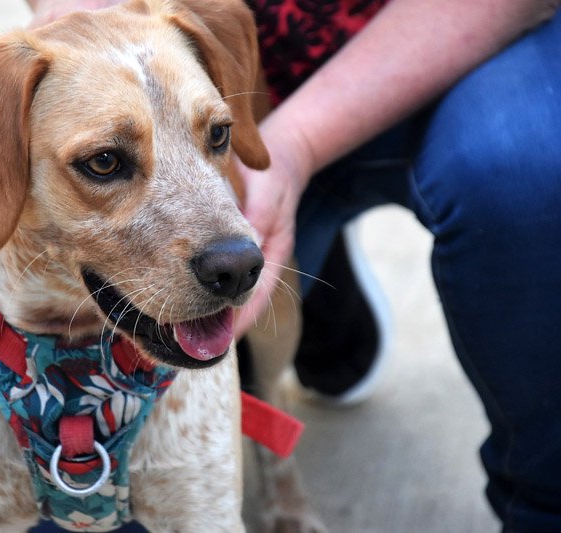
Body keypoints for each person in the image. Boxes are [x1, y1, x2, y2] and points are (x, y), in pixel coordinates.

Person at [29, 0, 561, 530]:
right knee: (87, 504)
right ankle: (328, 288)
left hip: (463, 53)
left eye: (217, 133)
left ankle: (544, 509)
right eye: (104, 160)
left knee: (522, 173)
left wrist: (295, 145)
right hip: (218, 87)